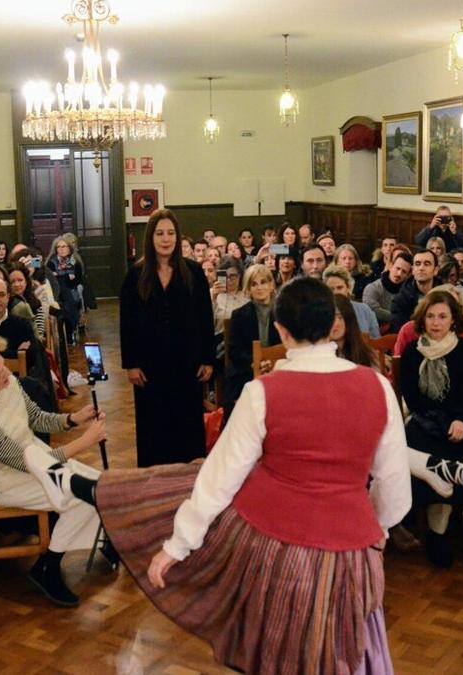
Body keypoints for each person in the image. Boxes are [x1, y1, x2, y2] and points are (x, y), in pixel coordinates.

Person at [97, 277, 411, 673]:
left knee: (280, 654)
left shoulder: (263, 392)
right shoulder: (378, 387)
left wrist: (176, 547)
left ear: (280, 329)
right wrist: (372, 531)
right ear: (333, 323)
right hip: (352, 554)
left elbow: (219, 479)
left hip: (279, 553)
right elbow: (395, 490)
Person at [0, 334, 106, 606]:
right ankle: (48, 568)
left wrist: (72, 419)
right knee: (82, 498)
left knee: (97, 482)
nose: (7, 372)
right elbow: (21, 461)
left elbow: (35, 417)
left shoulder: (7, 385)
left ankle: (104, 540)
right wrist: (84, 442)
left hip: (34, 459)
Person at [399, 289, 463, 567]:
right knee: (436, 463)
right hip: (430, 423)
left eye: (442, 316)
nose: (436, 322)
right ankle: (437, 533)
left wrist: (462, 421)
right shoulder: (411, 352)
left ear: (454, 319)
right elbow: (414, 400)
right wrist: (443, 425)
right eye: (430, 316)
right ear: (422, 319)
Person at [120, 209, 215, 467]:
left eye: (171, 233)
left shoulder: (194, 272)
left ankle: (188, 483)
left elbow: (206, 318)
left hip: (188, 364)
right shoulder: (135, 275)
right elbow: (127, 323)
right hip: (149, 367)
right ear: (150, 237)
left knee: (187, 427)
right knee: (154, 428)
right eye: (160, 233)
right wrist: (131, 363)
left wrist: (208, 358)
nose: (166, 239)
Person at [224, 265, 276, 415]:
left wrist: (272, 364)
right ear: (248, 289)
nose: (259, 287)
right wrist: (256, 363)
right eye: (254, 284)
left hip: (277, 369)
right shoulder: (239, 315)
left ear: (271, 285)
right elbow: (235, 351)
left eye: (263, 282)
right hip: (246, 371)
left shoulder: (285, 312)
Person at [322, 265, 380, 338]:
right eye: (331, 289)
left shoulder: (364, 309)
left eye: (339, 288)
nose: (335, 292)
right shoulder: (320, 312)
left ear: (348, 288)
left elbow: (376, 338)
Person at [363, 250, 413, 324]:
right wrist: (400, 318)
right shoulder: (372, 288)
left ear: (408, 275)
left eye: (404, 271)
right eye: (397, 268)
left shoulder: (409, 292)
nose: (399, 274)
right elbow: (372, 310)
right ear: (390, 266)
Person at [331, 294, 379, 369]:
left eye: (340, 317)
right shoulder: (319, 354)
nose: (335, 323)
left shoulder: (365, 353)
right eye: (330, 317)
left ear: (349, 319)